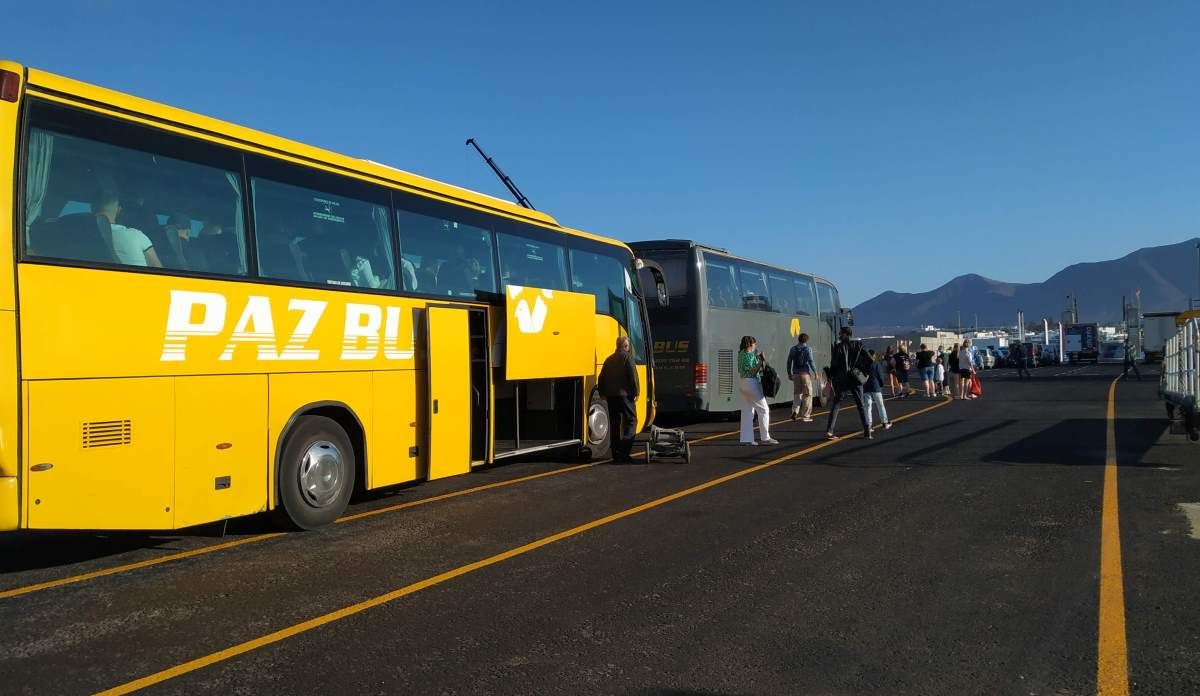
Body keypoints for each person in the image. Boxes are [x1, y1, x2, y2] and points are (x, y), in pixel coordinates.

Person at [93, 187, 162, 268]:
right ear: (119, 210)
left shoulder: (81, 233)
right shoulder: (137, 235)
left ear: (92, 208)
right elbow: (157, 267)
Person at [825, 326, 873, 439]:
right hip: (856, 378)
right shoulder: (858, 345)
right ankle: (867, 431)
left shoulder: (838, 346)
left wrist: (830, 376)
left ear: (846, 334)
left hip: (842, 379)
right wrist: (862, 371)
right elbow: (870, 360)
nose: (839, 335)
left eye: (840, 333)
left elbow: (834, 364)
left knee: (836, 404)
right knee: (861, 405)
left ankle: (829, 431)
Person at [598, 336, 640, 462]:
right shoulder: (627, 357)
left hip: (611, 396)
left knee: (615, 424)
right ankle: (624, 452)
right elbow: (633, 376)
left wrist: (602, 393)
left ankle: (616, 454)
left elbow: (601, 378)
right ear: (626, 346)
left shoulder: (608, 359)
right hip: (625, 396)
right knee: (631, 421)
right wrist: (636, 391)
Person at [737, 336, 778, 445]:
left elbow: (741, 369)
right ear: (750, 344)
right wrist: (760, 361)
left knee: (747, 411)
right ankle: (765, 438)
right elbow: (752, 372)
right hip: (751, 383)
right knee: (764, 410)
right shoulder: (750, 355)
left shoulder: (740, 354)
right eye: (754, 344)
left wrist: (757, 359)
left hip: (742, 383)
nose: (755, 345)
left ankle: (747, 439)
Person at [786, 332, 816, 422]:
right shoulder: (808, 349)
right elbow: (811, 361)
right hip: (805, 374)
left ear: (798, 339)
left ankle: (795, 411)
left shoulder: (793, 349)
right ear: (806, 340)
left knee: (797, 394)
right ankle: (806, 416)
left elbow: (789, 362)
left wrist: (789, 373)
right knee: (807, 395)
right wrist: (815, 372)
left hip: (795, 374)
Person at [863, 349, 893, 432]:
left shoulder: (864, 364)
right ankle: (884, 422)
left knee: (868, 407)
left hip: (866, 387)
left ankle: (868, 425)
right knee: (880, 405)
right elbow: (880, 376)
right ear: (874, 356)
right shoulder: (876, 364)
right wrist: (881, 384)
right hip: (876, 387)